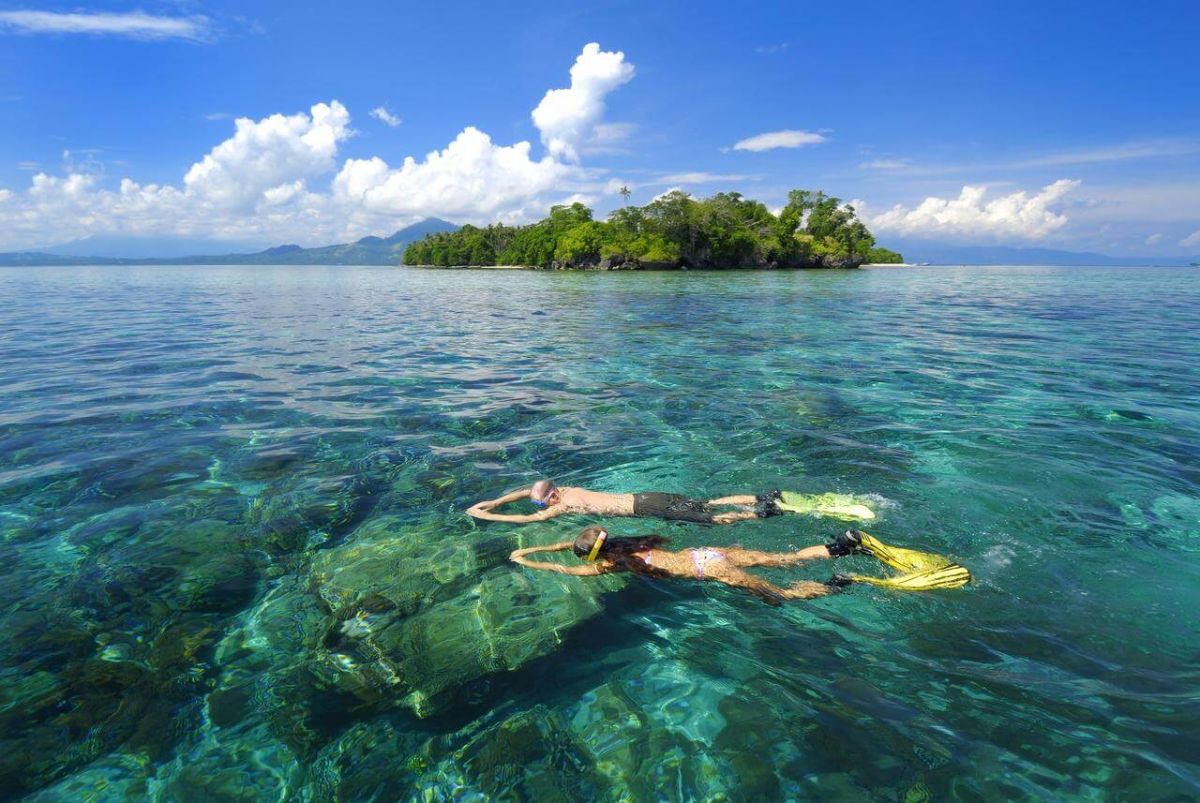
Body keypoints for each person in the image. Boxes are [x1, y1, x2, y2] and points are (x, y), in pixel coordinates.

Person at [510, 527, 972, 604]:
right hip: (712, 553)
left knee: (778, 595)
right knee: (786, 558)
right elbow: (577, 545)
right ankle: (843, 546)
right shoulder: (631, 543)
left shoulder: (616, 566)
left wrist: (528, 559)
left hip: (711, 572)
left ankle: (840, 582)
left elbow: (567, 570)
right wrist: (543, 546)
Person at [468, 479, 781, 525]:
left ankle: (762, 513)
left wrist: (487, 516)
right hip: (648, 495)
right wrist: (494, 501)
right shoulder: (563, 488)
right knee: (708, 502)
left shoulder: (565, 504)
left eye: (544, 504)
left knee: (710, 518)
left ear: (552, 497)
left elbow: (529, 519)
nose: (543, 508)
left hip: (646, 508)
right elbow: (526, 491)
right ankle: (762, 497)